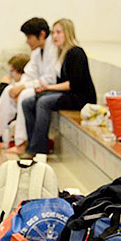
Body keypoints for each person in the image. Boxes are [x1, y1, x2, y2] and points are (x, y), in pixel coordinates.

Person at [0, 18, 57, 154]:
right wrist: (18, 86)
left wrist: (23, 87)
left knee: (23, 95)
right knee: (9, 90)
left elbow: (50, 79)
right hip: (38, 85)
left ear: (41, 35)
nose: (27, 41)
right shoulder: (37, 52)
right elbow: (30, 73)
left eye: (29, 37)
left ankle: (21, 143)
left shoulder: (53, 50)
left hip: (52, 88)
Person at [21, 18, 97, 157]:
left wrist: (48, 88)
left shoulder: (76, 52)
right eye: (53, 32)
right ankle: (32, 144)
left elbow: (73, 84)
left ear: (67, 33)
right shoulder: (61, 53)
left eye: (58, 32)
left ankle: (38, 149)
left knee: (44, 102)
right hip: (68, 94)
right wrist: (46, 88)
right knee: (28, 102)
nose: (54, 36)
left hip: (80, 97)